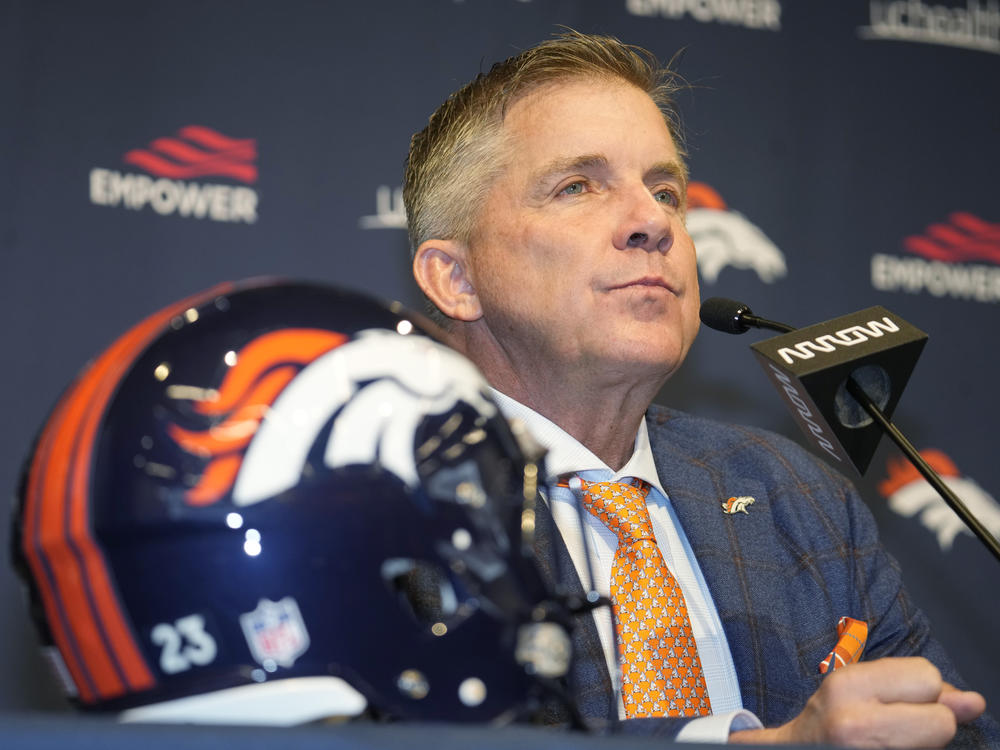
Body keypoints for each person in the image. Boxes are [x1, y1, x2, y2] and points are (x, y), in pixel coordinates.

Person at [403, 29, 998, 747]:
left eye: (666, 190)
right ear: (456, 279)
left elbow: (960, 734)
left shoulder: (796, 495)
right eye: (577, 186)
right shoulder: (382, 503)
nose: (653, 221)